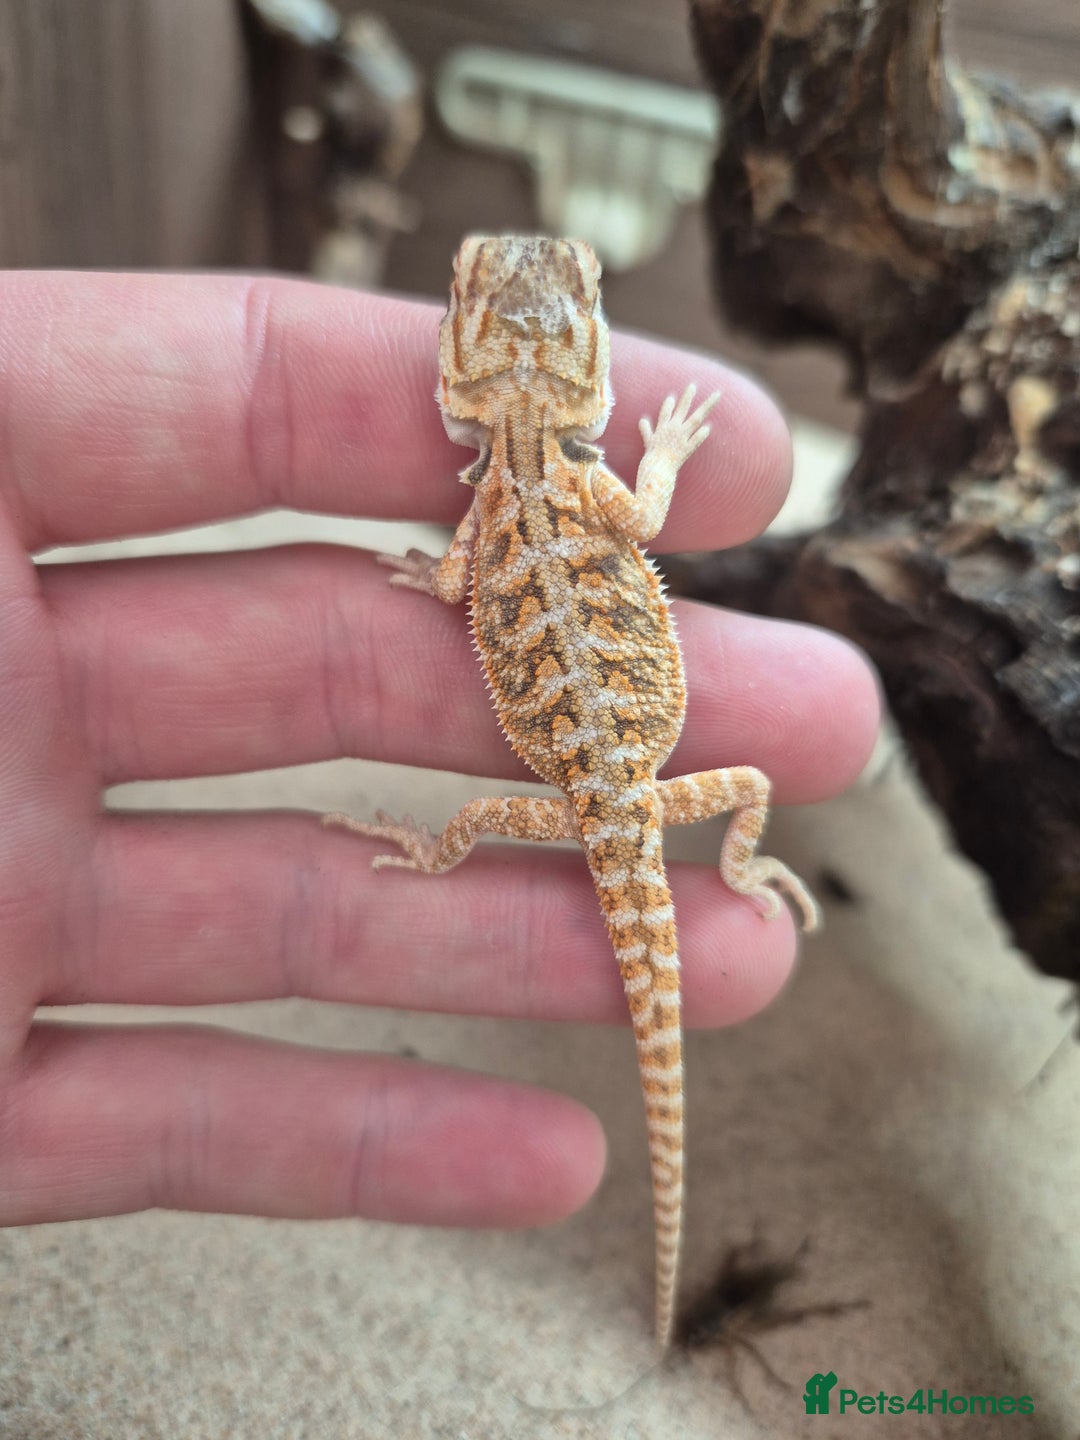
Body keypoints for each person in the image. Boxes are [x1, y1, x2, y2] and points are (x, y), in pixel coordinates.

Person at [0, 271, 879, 1230]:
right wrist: (660, 453)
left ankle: (444, 863)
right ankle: (741, 874)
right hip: (621, 778)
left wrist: (432, 573)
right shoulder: (585, 482)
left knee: (503, 833)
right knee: (744, 789)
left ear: (467, 394)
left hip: (592, 783)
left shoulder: (488, 510)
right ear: (584, 391)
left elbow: (456, 578)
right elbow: (643, 520)